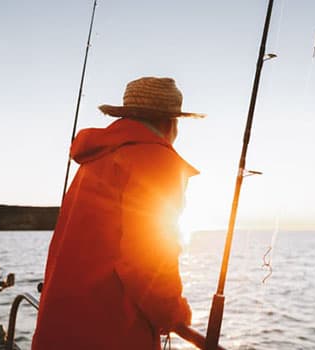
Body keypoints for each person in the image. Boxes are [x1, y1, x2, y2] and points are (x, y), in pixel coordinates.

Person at [32, 76, 205, 349]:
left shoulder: (95, 159)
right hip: (111, 333)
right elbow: (147, 260)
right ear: (169, 123)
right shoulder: (156, 161)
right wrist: (174, 314)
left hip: (58, 330)